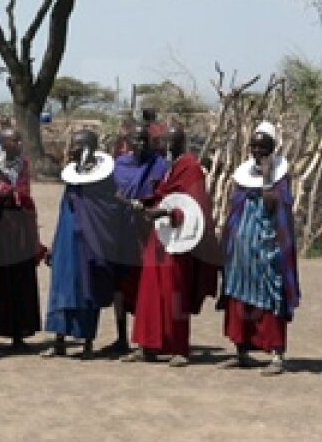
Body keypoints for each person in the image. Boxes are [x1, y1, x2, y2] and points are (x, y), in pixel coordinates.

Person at [123, 126, 220, 366]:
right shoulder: (169, 168)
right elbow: (163, 195)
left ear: (181, 142)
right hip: (160, 236)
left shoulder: (191, 168)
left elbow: (195, 207)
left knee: (174, 292)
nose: (165, 146)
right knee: (149, 291)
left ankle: (179, 348)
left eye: (170, 142)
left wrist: (167, 211)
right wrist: (146, 205)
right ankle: (147, 345)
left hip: (180, 241)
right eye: (163, 142)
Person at [41, 129, 135, 359]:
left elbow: (111, 208)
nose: (72, 149)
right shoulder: (72, 177)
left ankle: (87, 342)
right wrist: (55, 244)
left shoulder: (104, 180)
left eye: (77, 145)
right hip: (67, 240)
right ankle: (59, 339)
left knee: (86, 289)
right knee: (62, 288)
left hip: (90, 242)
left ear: (89, 148)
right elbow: (65, 210)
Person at [217, 122, 301, 375]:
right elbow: (235, 208)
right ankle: (242, 350)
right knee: (239, 296)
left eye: (263, 147)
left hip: (267, 248)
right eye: (253, 146)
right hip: (242, 252)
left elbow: (276, 207)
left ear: (272, 148)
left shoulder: (279, 179)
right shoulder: (243, 177)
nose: (257, 151)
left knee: (271, 296)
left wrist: (266, 179)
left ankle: (276, 354)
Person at [109, 125, 169, 354]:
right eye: (137, 140)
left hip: (148, 230)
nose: (142, 144)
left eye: (145, 139)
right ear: (129, 142)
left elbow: (163, 192)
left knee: (147, 283)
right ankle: (121, 337)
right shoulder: (119, 165)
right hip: (122, 230)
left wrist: (146, 204)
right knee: (120, 284)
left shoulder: (159, 165)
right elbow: (110, 192)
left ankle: (147, 338)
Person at [0, 126, 43, 350]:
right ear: (2, 144)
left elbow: (25, 194)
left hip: (20, 229)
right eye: (14, 141)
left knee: (21, 279)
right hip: (0, 229)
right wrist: (3, 194)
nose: (19, 145)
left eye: (20, 140)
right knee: (1, 280)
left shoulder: (23, 165)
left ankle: (19, 334)